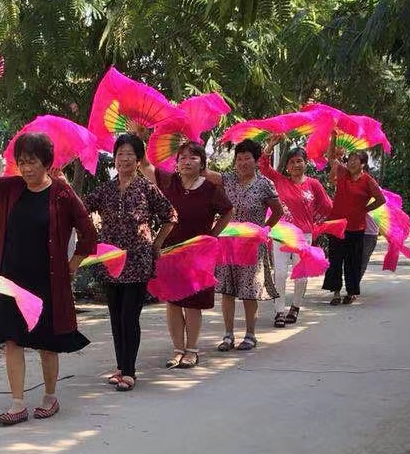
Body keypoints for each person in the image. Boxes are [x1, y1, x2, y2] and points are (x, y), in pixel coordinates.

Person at [0, 127, 97, 424]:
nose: (26, 168)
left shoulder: (62, 193)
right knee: (12, 339)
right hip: (12, 282)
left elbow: (88, 232)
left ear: (46, 162)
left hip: (48, 282)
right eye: (22, 162)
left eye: (32, 161)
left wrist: (73, 264)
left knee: (47, 343)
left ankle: (50, 396)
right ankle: (17, 403)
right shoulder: (11, 188)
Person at [85, 133, 176, 391]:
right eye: (120, 154)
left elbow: (170, 215)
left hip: (137, 261)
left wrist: (156, 245)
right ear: (114, 158)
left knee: (129, 316)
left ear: (138, 159)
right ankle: (120, 366)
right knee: (115, 316)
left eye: (129, 154)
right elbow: (80, 209)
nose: (124, 159)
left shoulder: (146, 188)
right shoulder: (106, 189)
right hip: (110, 261)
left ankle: (129, 371)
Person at [141, 141, 232, 368]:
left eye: (193, 157)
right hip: (170, 252)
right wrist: (139, 137)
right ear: (177, 163)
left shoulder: (210, 189)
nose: (187, 162)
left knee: (192, 303)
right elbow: (145, 165)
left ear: (202, 163)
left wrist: (212, 235)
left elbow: (228, 211)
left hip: (198, 255)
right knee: (173, 302)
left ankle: (191, 350)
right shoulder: (169, 182)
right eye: (182, 158)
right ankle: (177, 349)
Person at [214, 140, 284, 351]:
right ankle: (228, 335)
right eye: (239, 159)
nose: (243, 163)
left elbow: (278, 211)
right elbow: (205, 174)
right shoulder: (228, 180)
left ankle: (250, 334)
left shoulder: (264, 184)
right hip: (227, 243)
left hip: (251, 245)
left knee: (249, 290)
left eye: (247, 158)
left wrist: (265, 229)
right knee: (227, 290)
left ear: (256, 161)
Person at [260, 140, 333, 327]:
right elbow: (263, 167)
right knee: (280, 274)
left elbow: (327, 206)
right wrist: (270, 146)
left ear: (305, 163)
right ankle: (279, 311)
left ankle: (295, 307)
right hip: (281, 234)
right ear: (287, 166)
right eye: (292, 162)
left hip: (303, 237)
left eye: (299, 161)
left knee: (301, 276)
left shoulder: (313, 184)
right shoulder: (280, 181)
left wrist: (315, 221)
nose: (295, 165)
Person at [322, 140, 386, 305]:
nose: (351, 162)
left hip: (356, 227)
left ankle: (351, 292)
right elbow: (330, 157)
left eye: (355, 160)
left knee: (352, 261)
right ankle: (335, 292)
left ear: (363, 163)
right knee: (335, 260)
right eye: (350, 159)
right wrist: (333, 137)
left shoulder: (368, 181)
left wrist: (365, 209)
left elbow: (381, 199)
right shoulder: (343, 173)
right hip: (336, 225)